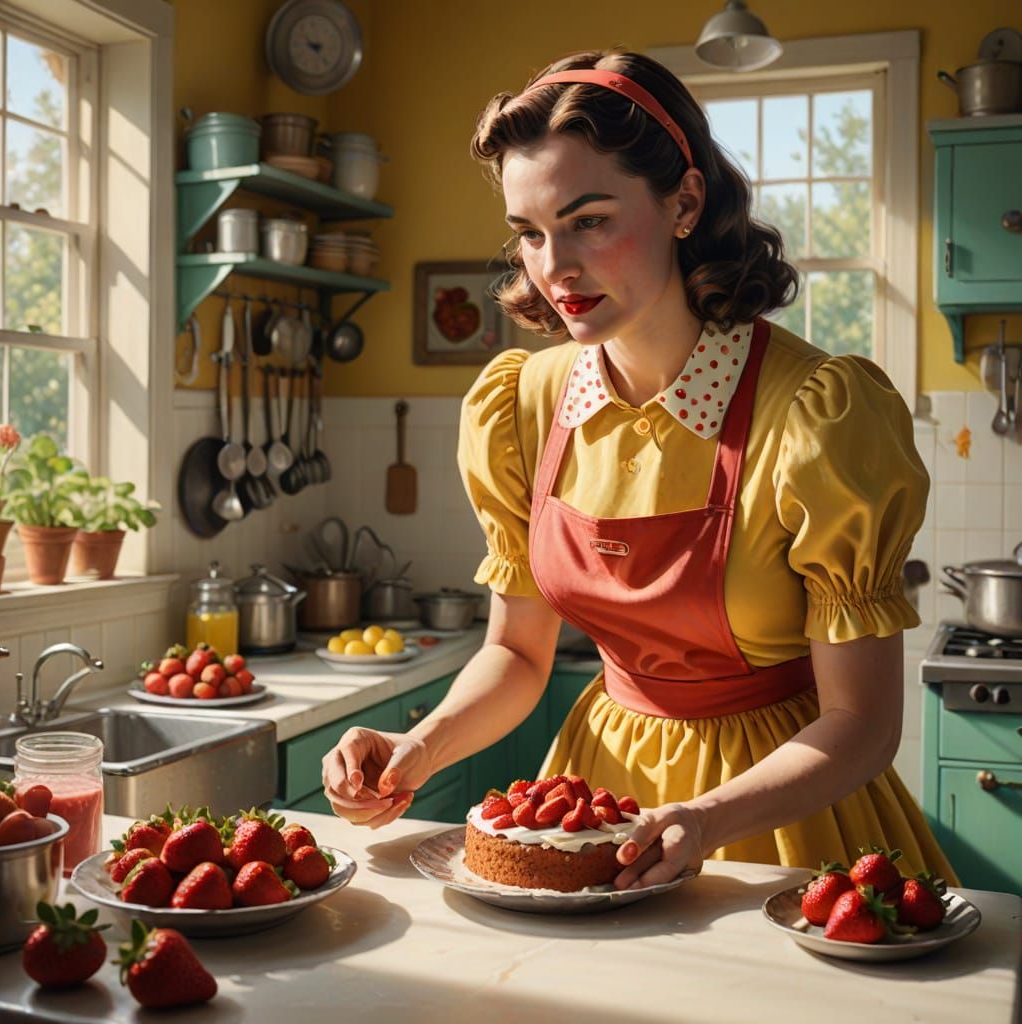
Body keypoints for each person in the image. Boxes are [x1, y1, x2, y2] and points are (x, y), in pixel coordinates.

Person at [322, 48, 958, 889]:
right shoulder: (523, 405)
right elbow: (517, 654)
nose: (555, 269)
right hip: (595, 797)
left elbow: (864, 722)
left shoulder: (815, 414)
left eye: (589, 220)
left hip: (778, 813)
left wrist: (704, 818)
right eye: (530, 233)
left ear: (684, 202)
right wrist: (421, 743)